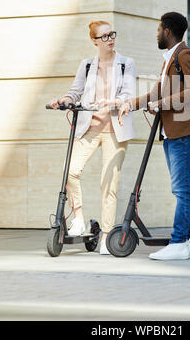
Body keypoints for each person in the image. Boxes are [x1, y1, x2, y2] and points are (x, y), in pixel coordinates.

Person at [118, 12, 190, 260]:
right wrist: (131, 104)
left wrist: (162, 103)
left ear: (167, 31)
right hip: (174, 132)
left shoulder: (184, 55)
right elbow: (155, 93)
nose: (156, 33)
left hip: (184, 131)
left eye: (158, 29)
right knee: (187, 188)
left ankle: (178, 244)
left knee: (181, 189)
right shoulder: (170, 59)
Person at [49, 21, 136, 255]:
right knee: (71, 170)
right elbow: (75, 91)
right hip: (90, 128)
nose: (110, 39)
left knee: (108, 185)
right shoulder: (87, 65)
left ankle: (107, 236)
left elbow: (128, 94)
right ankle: (78, 217)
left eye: (112, 34)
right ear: (94, 41)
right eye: (105, 36)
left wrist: (115, 102)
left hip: (115, 131)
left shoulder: (126, 64)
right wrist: (63, 101)